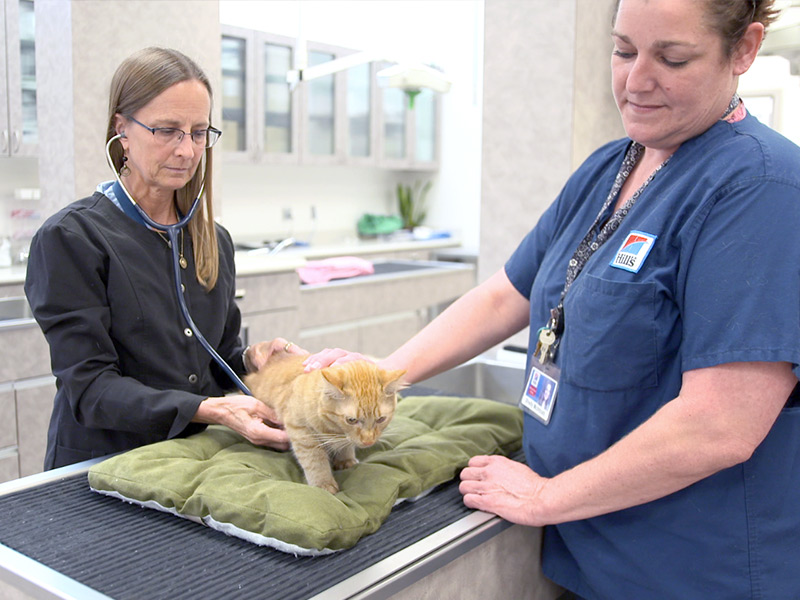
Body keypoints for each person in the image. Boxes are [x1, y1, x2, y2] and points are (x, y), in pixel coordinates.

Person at [308, 1, 800, 597]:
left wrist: (547, 496)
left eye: (672, 58)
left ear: (744, 49)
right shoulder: (608, 169)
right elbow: (504, 296)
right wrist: (377, 376)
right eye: (623, 51)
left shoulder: (762, 189)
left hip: (688, 568)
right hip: (585, 549)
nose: (635, 80)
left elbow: (720, 424)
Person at [25, 47, 304, 470]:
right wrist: (211, 409)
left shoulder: (213, 241)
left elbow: (212, 357)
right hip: (103, 466)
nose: (187, 151)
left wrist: (250, 359)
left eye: (198, 132)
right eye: (167, 130)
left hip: (190, 461)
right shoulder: (71, 238)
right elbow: (90, 389)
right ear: (122, 130)